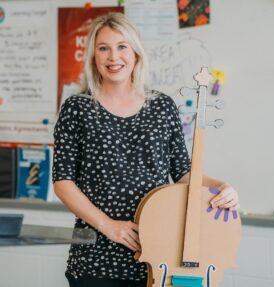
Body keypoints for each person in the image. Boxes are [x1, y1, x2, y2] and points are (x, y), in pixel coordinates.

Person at [52, 12, 240, 287]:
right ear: (93, 56)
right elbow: (63, 183)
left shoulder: (162, 107)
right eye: (103, 48)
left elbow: (184, 174)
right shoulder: (77, 108)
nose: (113, 57)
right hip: (95, 258)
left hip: (158, 254)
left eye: (121, 47)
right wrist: (109, 226)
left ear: (136, 54)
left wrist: (222, 187)